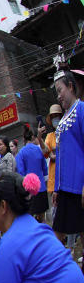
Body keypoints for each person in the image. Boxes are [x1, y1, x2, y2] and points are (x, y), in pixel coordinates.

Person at [51, 66, 84, 256]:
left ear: (70, 86)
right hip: (65, 187)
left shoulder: (81, 110)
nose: (58, 96)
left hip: (78, 185)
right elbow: (61, 157)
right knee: (58, 231)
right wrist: (56, 187)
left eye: (60, 90)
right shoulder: (64, 119)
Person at [15, 126, 49, 222]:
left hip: (29, 191)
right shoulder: (38, 150)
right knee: (42, 218)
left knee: (31, 218)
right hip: (41, 187)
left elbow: (20, 173)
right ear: (33, 138)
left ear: (24, 139)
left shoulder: (21, 153)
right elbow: (44, 168)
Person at [41, 104, 63, 218]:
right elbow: (45, 152)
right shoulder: (50, 136)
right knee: (57, 216)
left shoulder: (67, 132)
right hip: (54, 181)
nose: (55, 118)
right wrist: (40, 138)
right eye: (53, 116)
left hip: (68, 179)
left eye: (57, 115)